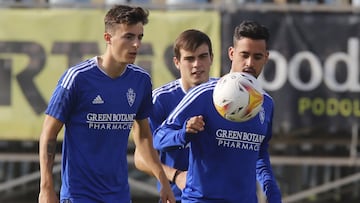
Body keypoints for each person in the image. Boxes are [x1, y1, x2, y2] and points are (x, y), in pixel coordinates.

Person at [38, 5, 175, 203]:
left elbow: (144, 136)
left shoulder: (141, 81)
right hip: (79, 194)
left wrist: (163, 180)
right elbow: (48, 134)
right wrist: (46, 188)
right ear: (108, 38)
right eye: (129, 37)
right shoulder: (77, 78)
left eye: (140, 37)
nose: (136, 44)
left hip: (118, 194)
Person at [153, 20, 282, 203]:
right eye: (244, 55)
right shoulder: (205, 94)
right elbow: (158, 137)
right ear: (231, 53)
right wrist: (184, 133)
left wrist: (272, 191)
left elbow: (260, 152)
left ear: (266, 57)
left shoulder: (266, 104)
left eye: (257, 57)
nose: (249, 63)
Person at [134, 29, 214, 203]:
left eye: (202, 57)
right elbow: (140, 157)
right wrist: (175, 176)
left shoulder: (224, 95)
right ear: (176, 62)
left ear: (211, 59)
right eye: (189, 58)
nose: (196, 64)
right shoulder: (160, 100)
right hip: (178, 197)